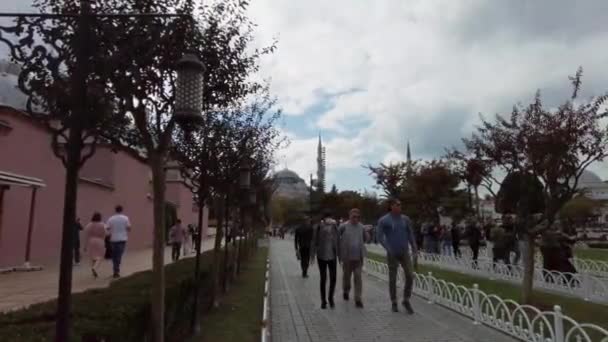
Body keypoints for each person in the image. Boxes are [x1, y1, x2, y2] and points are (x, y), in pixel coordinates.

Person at [376, 198, 417, 314]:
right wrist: (388, 249)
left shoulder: (405, 219)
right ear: (391, 206)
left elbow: (410, 234)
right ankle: (394, 301)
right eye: (397, 205)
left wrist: (414, 248)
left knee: (409, 275)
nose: (400, 207)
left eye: (400, 205)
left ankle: (406, 299)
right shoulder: (384, 220)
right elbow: (379, 237)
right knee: (393, 278)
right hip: (392, 252)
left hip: (404, 251)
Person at [339, 208, 367, 308]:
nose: (355, 219)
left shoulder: (361, 227)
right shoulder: (343, 227)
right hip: (347, 257)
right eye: (353, 216)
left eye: (357, 217)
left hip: (358, 258)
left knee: (358, 277)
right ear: (349, 216)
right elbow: (338, 238)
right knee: (347, 277)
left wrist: (368, 233)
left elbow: (366, 238)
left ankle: (358, 299)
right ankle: (346, 290)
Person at [312, 211, 339, 309]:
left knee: (333, 278)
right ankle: (323, 301)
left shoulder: (335, 227)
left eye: (330, 218)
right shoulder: (319, 227)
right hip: (321, 256)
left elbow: (338, 240)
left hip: (332, 256)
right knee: (323, 278)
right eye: (327, 218)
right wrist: (312, 255)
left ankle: (331, 297)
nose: (329, 219)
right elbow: (314, 241)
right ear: (324, 218)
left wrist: (339, 255)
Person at [106, 205, 131, 278]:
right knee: (119, 255)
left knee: (114, 256)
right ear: (122, 210)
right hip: (122, 239)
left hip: (113, 239)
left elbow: (107, 228)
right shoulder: (125, 218)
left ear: (115, 210)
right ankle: (116, 271)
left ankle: (115, 270)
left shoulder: (111, 218)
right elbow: (129, 228)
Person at [84, 212, 107, 278]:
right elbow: (106, 233)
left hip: (91, 241)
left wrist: (85, 246)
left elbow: (86, 235)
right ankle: (94, 268)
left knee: (93, 257)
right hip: (100, 241)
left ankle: (93, 270)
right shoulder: (102, 225)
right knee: (99, 257)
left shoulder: (89, 225)